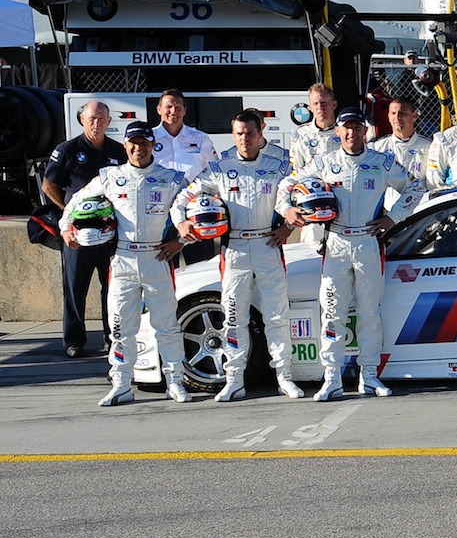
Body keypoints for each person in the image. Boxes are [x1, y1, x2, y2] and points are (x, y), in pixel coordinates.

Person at [281, 108, 419, 401]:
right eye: (346, 128)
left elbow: (415, 187)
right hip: (335, 243)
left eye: (357, 128)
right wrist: (288, 209)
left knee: (370, 312)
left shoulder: (381, 162)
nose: (351, 133)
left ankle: (369, 375)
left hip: (368, 241)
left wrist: (393, 217)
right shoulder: (324, 162)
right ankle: (331, 378)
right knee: (332, 312)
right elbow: (287, 184)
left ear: (365, 131)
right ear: (338, 131)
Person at [173, 109, 305, 402]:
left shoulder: (279, 166)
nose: (245, 139)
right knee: (233, 317)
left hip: (268, 245)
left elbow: (303, 194)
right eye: (239, 134)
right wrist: (181, 223)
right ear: (233, 135)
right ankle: (234, 380)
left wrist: (288, 227)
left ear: (260, 133)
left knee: (277, 315)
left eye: (250, 133)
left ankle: (284, 377)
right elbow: (183, 197)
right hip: (234, 250)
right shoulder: (219, 167)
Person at [60, 123, 190, 406]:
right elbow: (75, 201)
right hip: (122, 260)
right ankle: (121, 384)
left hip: (157, 258)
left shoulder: (172, 178)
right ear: (125, 144)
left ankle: (176, 382)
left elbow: (192, 210)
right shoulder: (110, 176)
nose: (137, 147)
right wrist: (66, 228)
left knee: (167, 326)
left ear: (152, 145)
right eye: (132, 142)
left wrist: (180, 241)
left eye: (143, 142)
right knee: (120, 328)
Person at [41, 101, 126, 359]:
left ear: (109, 121)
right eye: (92, 118)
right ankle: (74, 341)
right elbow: (49, 185)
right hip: (78, 233)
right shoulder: (67, 150)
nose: (96, 123)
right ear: (82, 120)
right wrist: (69, 211)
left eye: (101, 119)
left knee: (112, 287)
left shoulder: (118, 151)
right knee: (75, 287)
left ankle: (112, 338)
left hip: (109, 232)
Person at [150, 89, 219, 182]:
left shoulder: (201, 138)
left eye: (178, 107)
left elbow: (214, 169)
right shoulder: (149, 138)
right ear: (159, 109)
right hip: (160, 190)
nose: (173, 111)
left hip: (193, 190)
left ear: (184, 110)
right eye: (168, 107)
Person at [371, 97, 433, 178]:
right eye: (393, 113)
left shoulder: (429, 147)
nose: (397, 117)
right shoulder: (378, 148)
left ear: (414, 116)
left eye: (403, 113)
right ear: (389, 117)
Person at [290, 83, 342, 172]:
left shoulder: (345, 132)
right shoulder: (301, 134)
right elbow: (296, 168)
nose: (320, 107)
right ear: (310, 107)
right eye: (315, 103)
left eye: (324, 103)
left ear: (334, 105)